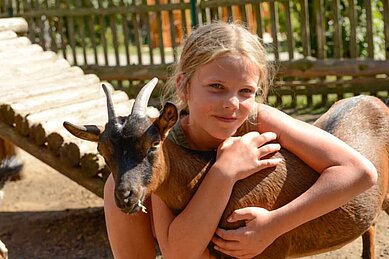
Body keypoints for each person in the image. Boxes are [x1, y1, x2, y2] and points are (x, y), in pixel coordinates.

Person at [103, 21, 377, 259]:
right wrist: (225, 171)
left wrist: (274, 225)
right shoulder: (165, 146)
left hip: (240, 241)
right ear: (183, 85)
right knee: (116, 182)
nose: (231, 104)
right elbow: (179, 254)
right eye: (216, 87)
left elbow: (360, 172)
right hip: (193, 245)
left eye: (246, 91)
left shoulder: (260, 120)